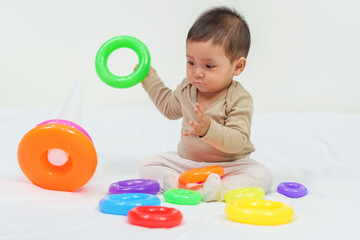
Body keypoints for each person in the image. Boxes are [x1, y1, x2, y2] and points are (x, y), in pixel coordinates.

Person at [138, 6, 272, 202]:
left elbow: (237, 141)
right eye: (191, 62)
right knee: (148, 164)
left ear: (238, 66)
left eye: (209, 66)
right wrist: (150, 80)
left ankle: (218, 190)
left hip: (230, 165)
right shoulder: (187, 88)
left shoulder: (239, 98)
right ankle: (173, 182)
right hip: (187, 163)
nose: (197, 72)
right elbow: (169, 108)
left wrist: (208, 129)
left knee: (262, 175)